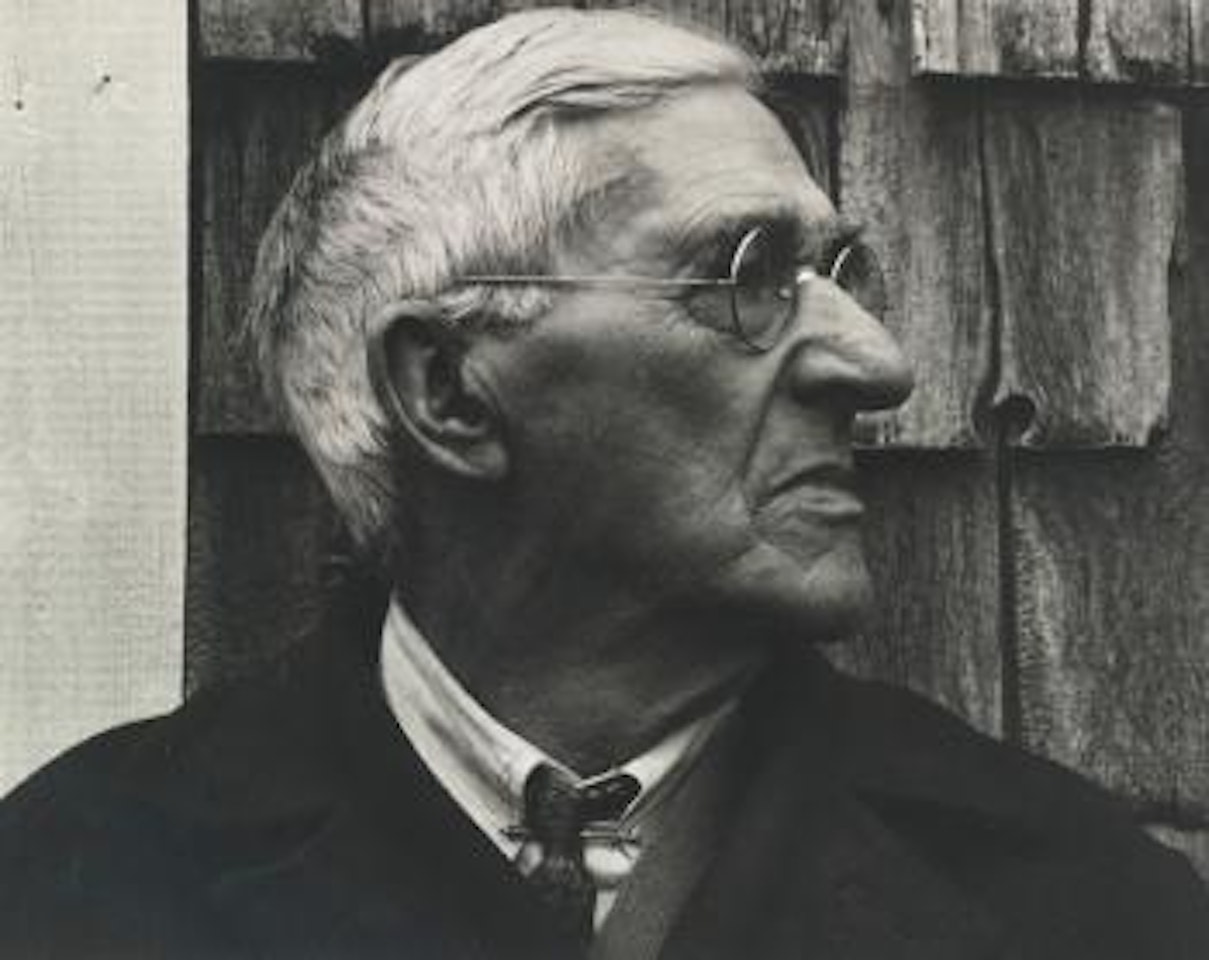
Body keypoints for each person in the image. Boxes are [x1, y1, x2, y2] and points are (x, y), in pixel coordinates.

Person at [1, 8, 1206, 959]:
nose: (878, 364)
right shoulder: (72, 891)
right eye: (746, 275)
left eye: (840, 274)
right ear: (449, 390)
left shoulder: (1086, 905)